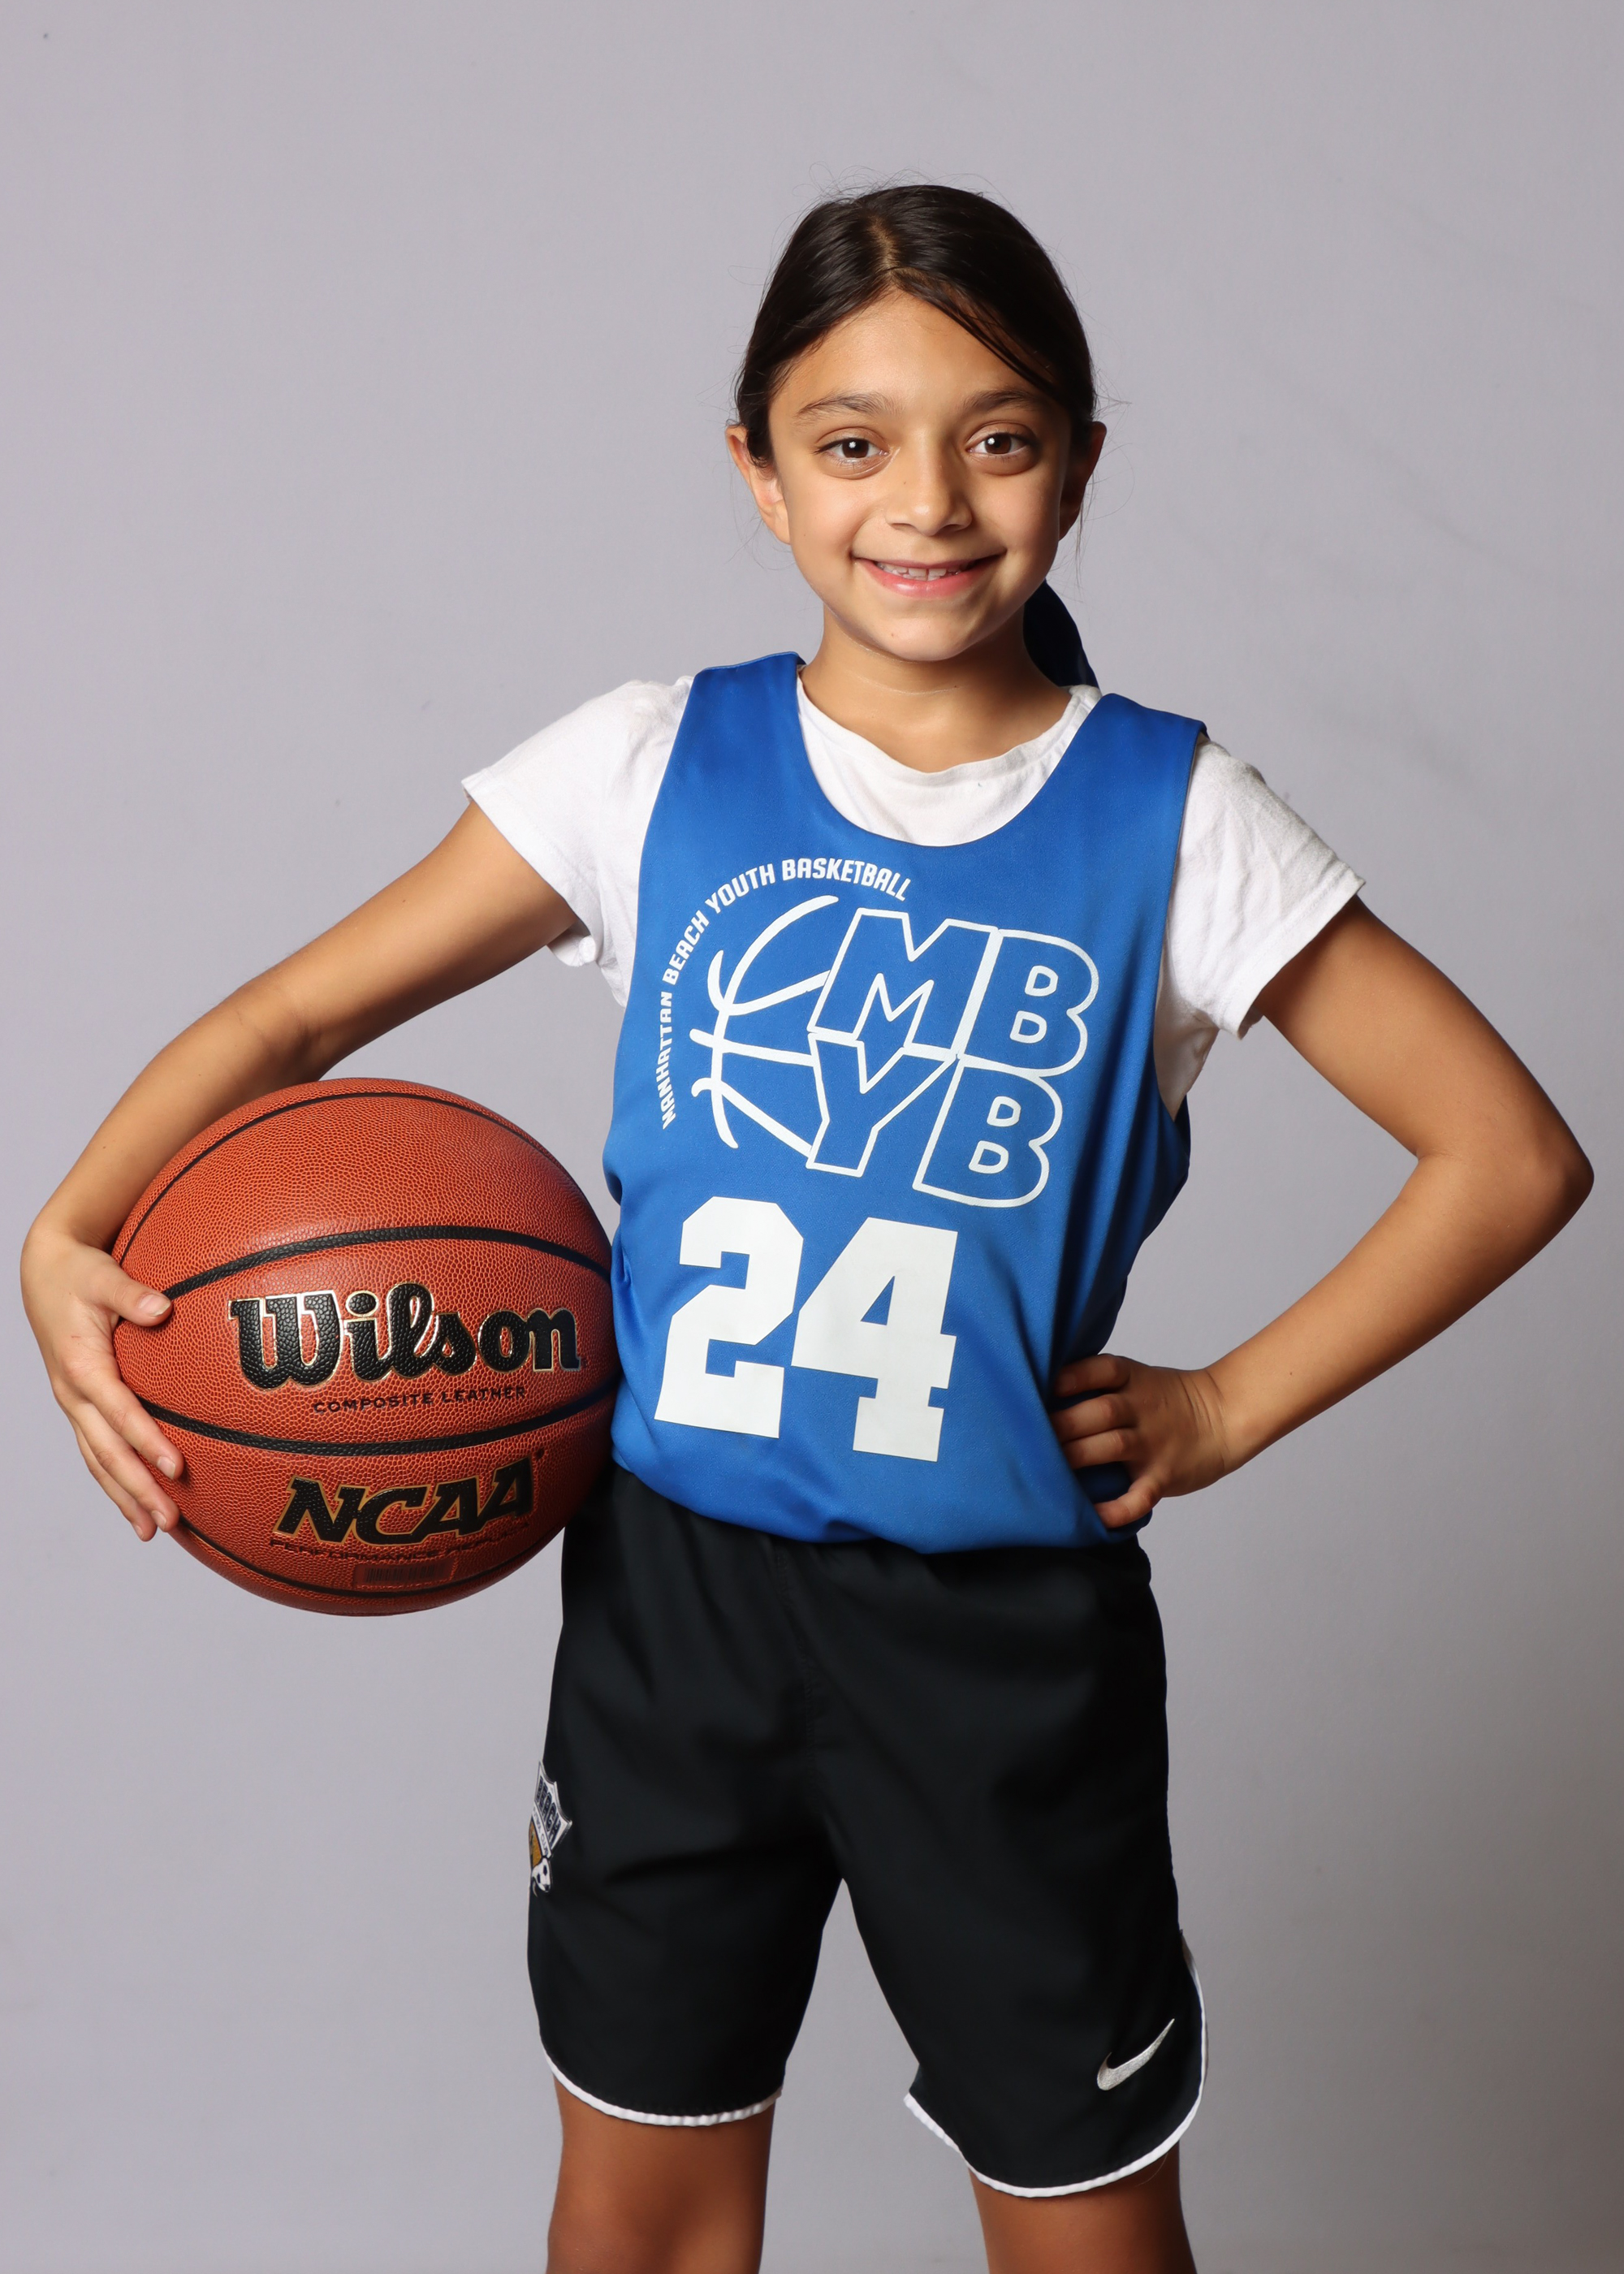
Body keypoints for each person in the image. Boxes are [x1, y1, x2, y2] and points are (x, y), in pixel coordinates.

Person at [21, 185, 1592, 2274]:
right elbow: (293, 1021)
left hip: (996, 1636)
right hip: (672, 1607)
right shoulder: (652, 763)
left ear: (1080, 465)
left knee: (1084, 2231)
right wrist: (65, 1229)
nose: (925, 500)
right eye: (852, 442)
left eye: (996, 438)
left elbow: (1506, 1153)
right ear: (758, 473)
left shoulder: (1170, 816)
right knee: (645, 2208)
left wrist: (1222, 1407)